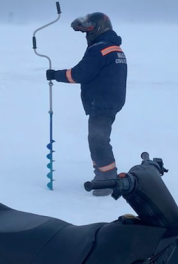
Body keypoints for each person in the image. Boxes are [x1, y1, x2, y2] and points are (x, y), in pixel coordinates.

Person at [46, 12, 127, 196]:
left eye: (88, 30)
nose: (86, 35)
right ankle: (102, 175)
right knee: (97, 139)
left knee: (98, 140)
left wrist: (55, 75)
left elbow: (79, 74)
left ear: (98, 28)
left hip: (102, 102)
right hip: (110, 100)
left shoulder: (100, 49)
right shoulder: (113, 48)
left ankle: (107, 180)